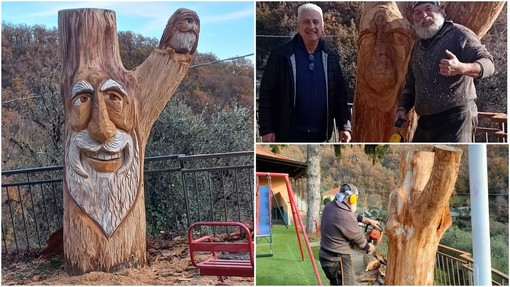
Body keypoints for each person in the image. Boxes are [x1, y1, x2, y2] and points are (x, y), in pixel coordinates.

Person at [395, 1, 495, 142]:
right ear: (413, 18)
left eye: (428, 9)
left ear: (439, 10)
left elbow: (489, 64)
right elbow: (411, 84)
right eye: (418, 12)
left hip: (457, 119)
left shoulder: (459, 34)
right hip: (425, 122)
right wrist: (403, 108)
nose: (424, 15)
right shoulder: (417, 47)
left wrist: (461, 68)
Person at [258, 3, 352, 143]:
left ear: (322, 27)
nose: (311, 26)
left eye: (316, 22)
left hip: (321, 136)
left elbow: (339, 95)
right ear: (298, 26)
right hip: (286, 135)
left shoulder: (331, 58)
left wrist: (344, 126)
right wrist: (266, 129)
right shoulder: (280, 56)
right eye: (306, 22)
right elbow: (266, 95)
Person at [319, 184, 381, 285]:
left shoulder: (331, 206)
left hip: (327, 256)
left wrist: (368, 220)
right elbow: (358, 239)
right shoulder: (345, 216)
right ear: (352, 198)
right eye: (355, 198)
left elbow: (350, 214)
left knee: (338, 283)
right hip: (337, 260)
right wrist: (369, 246)